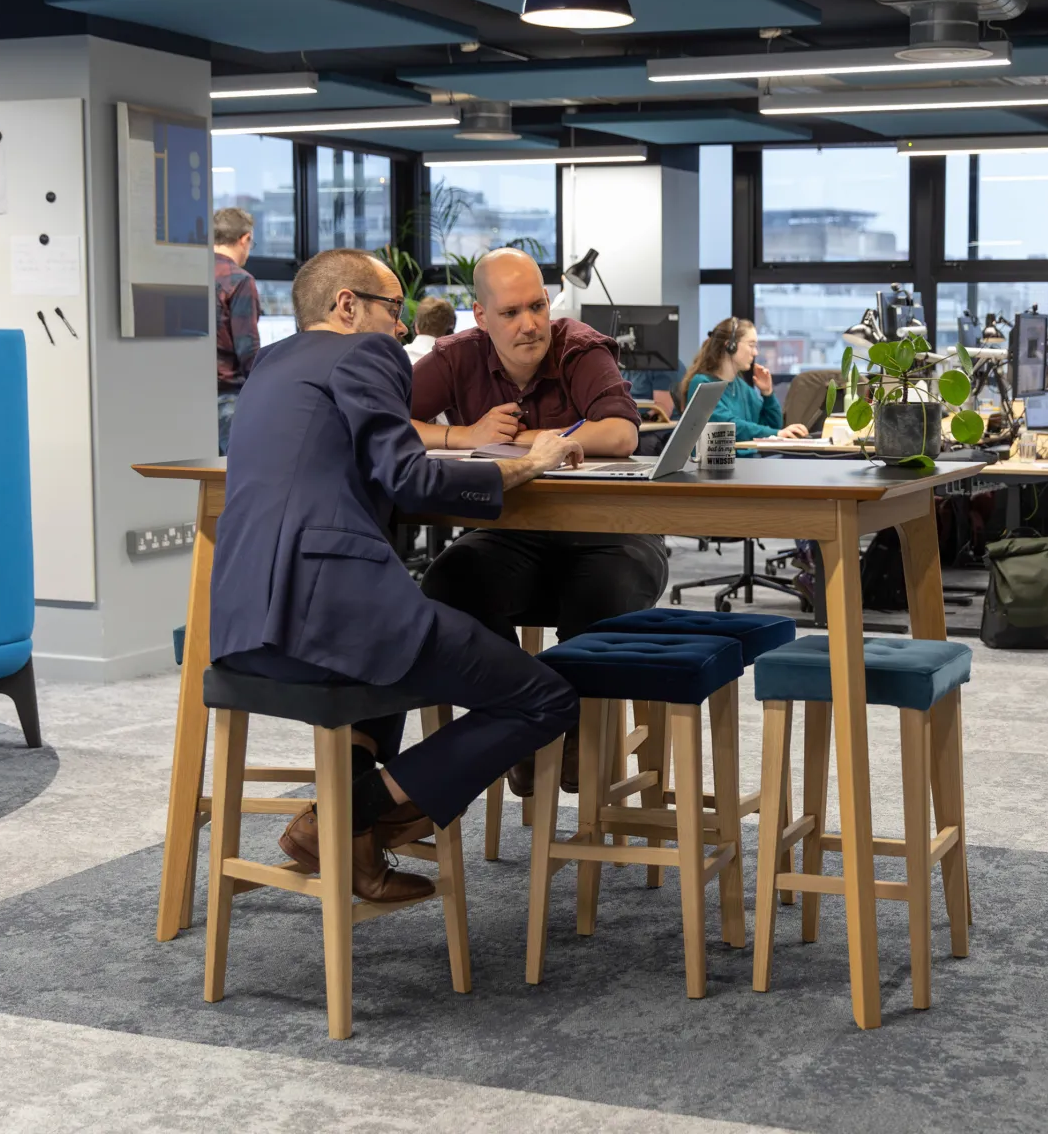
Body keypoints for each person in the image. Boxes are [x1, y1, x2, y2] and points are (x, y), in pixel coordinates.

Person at [210, 247, 583, 902]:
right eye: (393, 311)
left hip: (245, 626)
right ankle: (350, 812)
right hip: (330, 616)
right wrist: (524, 464)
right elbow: (406, 474)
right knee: (546, 697)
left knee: (397, 662)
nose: (404, 330)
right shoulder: (363, 354)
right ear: (347, 305)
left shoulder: (271, 366)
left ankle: (354, 853)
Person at [410, 247, 669, 795]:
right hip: (511, 533)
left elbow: (621, 434)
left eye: (537, 306)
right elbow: (384, 420)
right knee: (445, 586)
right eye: (511, 313)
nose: (530, 325)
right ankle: (522, 717)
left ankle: (563, 728)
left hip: (610, 536)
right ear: (481, 316)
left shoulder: (579, 347)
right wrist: (464, 435)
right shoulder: (456, 357)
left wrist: (522, 440)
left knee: (598, 601)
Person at [677, 316, 811, 447]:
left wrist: (767, 394)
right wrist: (777, 433)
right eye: (751, 345)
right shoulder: (703, 384)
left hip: (748, 460)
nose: (755, 353)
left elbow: (771, 427)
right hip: (721, 464)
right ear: (730, 346)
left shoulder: (740, 386)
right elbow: (728, 426)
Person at [213, 207, 262, 455]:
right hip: (228, 396)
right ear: (244, 239)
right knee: (233, 473)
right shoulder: (239, 280)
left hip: (188, 391)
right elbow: (247, 348)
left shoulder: (189, 273)